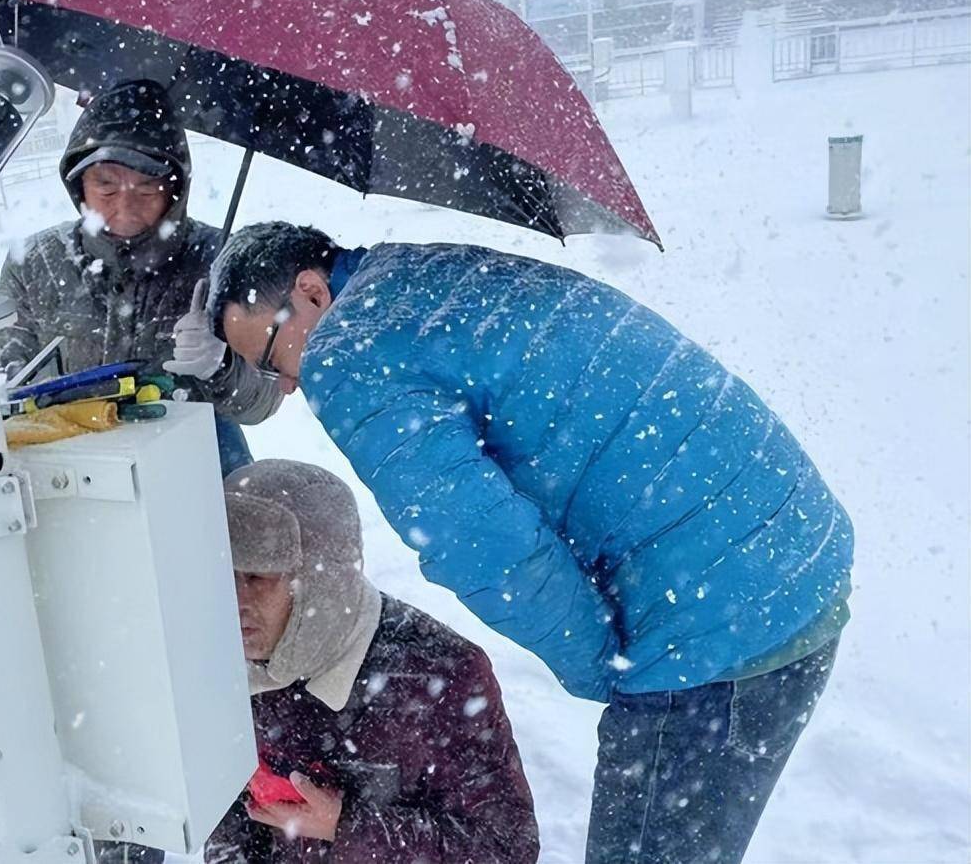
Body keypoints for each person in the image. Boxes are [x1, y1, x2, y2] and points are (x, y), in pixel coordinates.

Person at [207, 222, 853, 864]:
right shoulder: (414, 274)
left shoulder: (350, 352)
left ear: (312, 291)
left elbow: (485, 548)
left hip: (715, 619)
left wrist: (607, 671)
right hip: (786, 539)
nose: (285, 384)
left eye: (269, 359)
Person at [207, 459, 539, 864]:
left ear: (319, 580)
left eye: (258, 577)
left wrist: (345, 824)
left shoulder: (442, 674)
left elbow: (505, 849)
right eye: (225, 573)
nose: (235, 600)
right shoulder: (228, 654)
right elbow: (229, 817)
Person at [0, 80, 280, 474]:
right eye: (106, 187)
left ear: (175, 190)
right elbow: (0, 382)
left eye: (147, 187)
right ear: (79, 186)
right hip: (72, 475)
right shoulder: (35, 264)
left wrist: (221, 364)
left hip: (203, 470)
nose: (126, 206)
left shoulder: (221, 262)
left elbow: (265, 397)